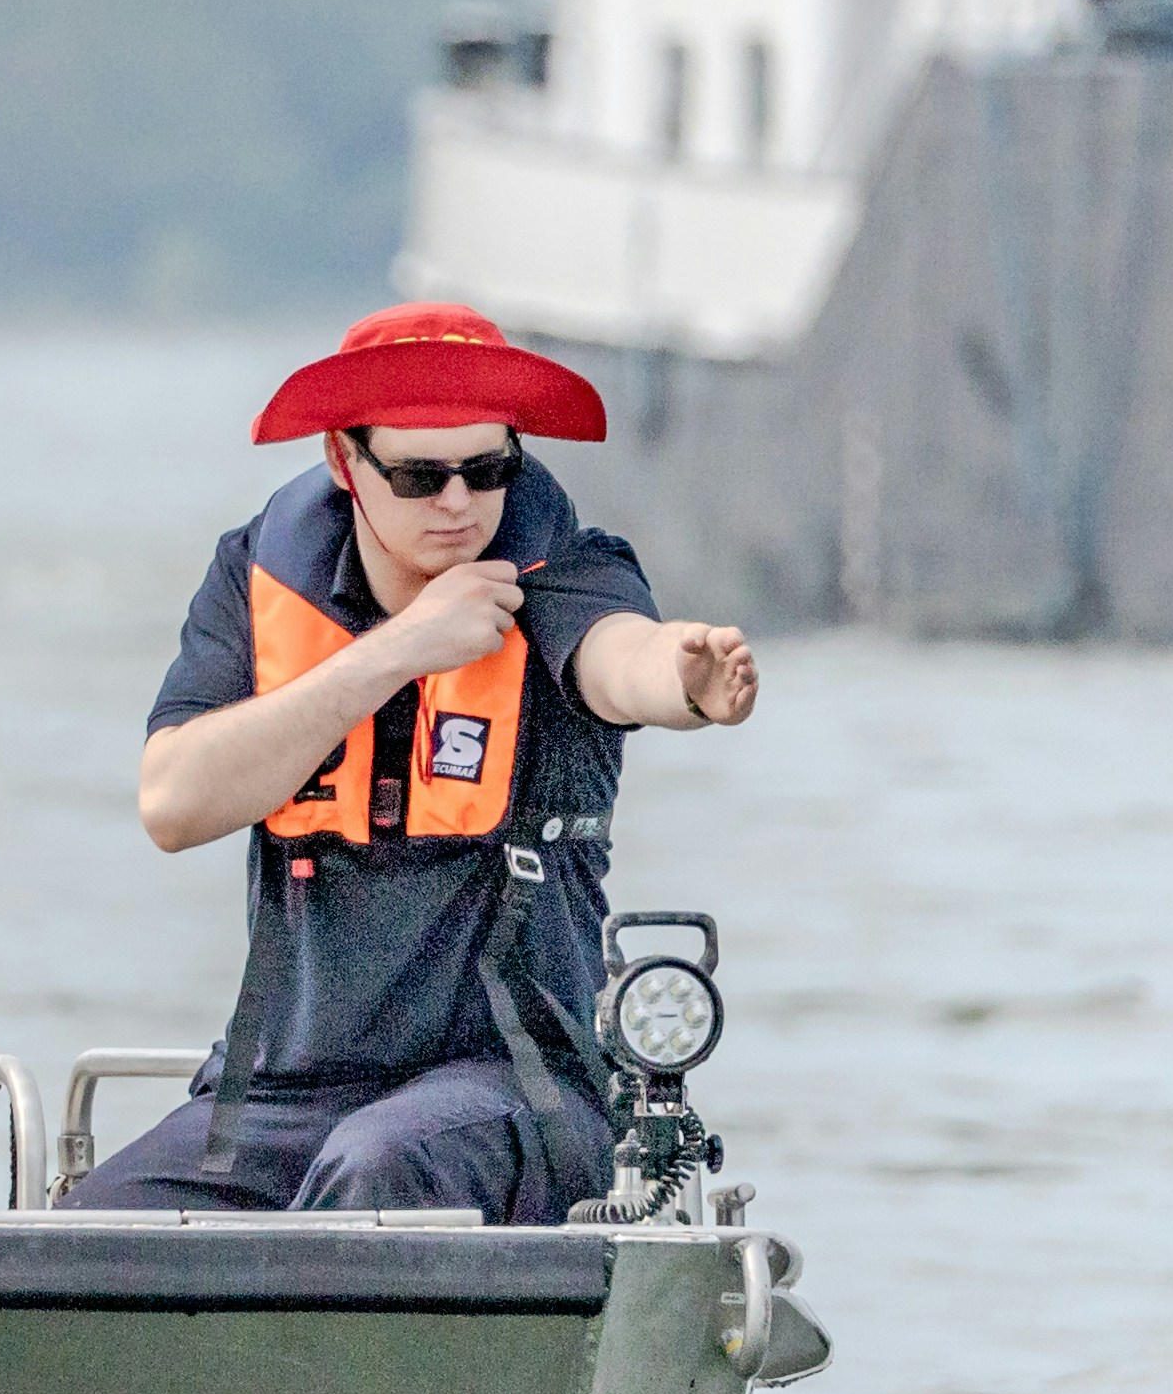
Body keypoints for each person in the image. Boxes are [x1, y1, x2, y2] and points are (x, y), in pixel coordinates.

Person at [69, 302, 760, 1221]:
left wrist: (683, 682)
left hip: (515, 1087)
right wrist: (399, 650)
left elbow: (620, 659)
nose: (459, 504)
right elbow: (173, 803)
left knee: (378, 1167)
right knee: (80, 1234)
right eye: (421, 475)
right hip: (282, 1093)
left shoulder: (569, 571)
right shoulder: (256, 575)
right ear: (343, 463)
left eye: (488, 469)